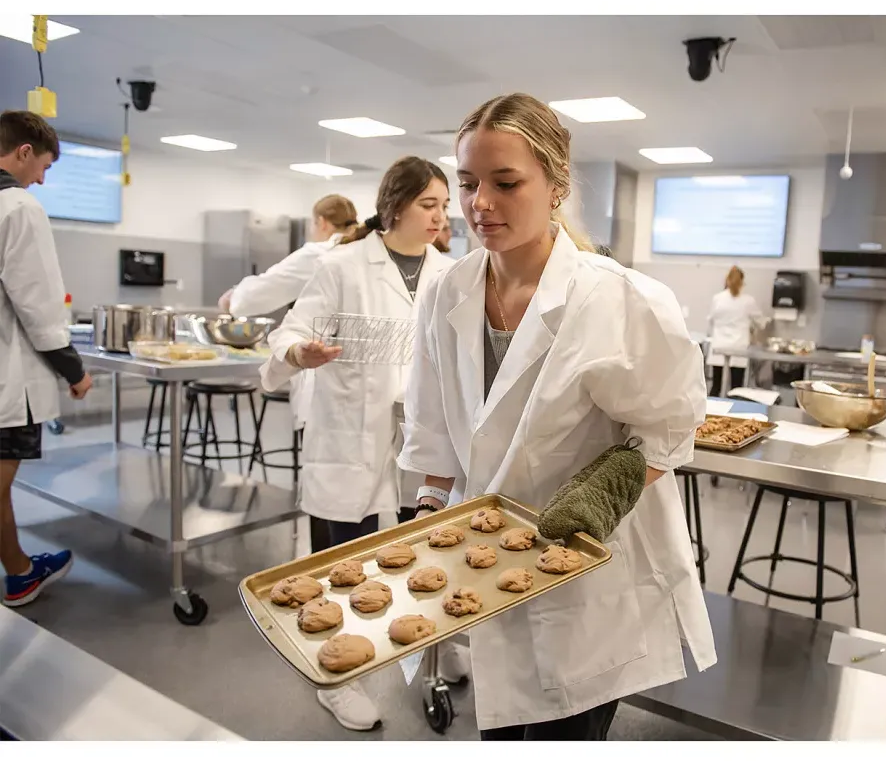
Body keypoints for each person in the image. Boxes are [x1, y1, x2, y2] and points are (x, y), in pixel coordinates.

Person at [398, 93, 716, 740]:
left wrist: (598, 495)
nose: (480, 203)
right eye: (467, 183)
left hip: (586, 582)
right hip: (481, 569)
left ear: (556, 185)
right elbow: (434, 429)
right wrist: (429, 510)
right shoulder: (448, 293)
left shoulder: (619, 299)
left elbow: (671, 426)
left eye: (505, 183)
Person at [259, 157, 462, 731]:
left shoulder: (452, 273)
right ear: (394, 205)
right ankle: (336, 676)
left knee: (415, 558)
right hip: (349, 438)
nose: (440, 217)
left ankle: (426, 648)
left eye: (444, 206)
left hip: (418, 444)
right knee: (339, 566)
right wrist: (302, 353)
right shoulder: (343, 266)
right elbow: (291, 333)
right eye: (429, 204)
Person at [218, 194, 358, 553]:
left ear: (322, 222)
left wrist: (233, 297)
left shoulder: (319, 252)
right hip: (355, 389)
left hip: (328, 385)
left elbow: (255, 295)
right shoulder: (362, 250)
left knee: (331, 499)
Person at [0, 110, 92, 607]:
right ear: (23, 152)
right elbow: (36, 303)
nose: (40, 179)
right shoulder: (17, 206)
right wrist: (72, 370)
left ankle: (18, 569)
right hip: (6, 380)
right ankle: (19, 574)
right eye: (44, 168)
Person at [706, 266, 765, 397]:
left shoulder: (718, 298)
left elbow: (711, 320)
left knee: (716, 385)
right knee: (736, 388)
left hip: (719, 346)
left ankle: (710, 412)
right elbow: (760, 322)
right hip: (738, 347)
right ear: (742, 282)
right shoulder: (748, 300)